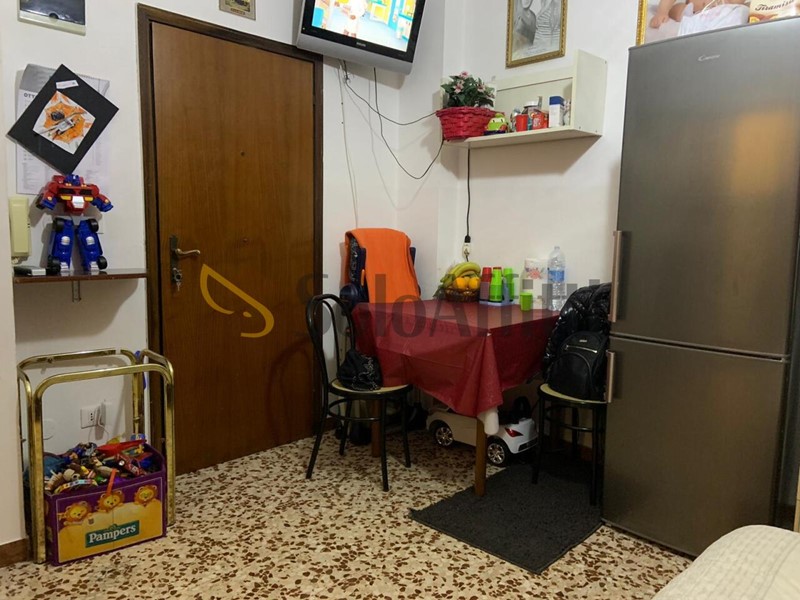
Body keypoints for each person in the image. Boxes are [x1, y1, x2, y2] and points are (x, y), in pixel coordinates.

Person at [649, 0, 746, 28]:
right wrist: (662, 12)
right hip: (691, 12)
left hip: (721, 14)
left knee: (743, 10)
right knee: (678, 10)